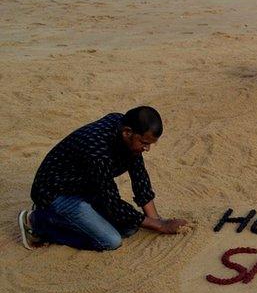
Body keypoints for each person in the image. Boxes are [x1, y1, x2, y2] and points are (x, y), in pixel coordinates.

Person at [17, 107, 187, 251]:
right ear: (127, 132)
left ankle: (71, 217)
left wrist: (157, 220)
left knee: (129, 227)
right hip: (56, 193)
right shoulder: (97, 151)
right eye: (144, 142)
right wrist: (160, 226)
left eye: (150, 144)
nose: (147, 148)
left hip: (85, 187)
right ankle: (38, 222)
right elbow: (112, 201)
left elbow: (139, 175)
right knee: (110, 240)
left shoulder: (124, 128)